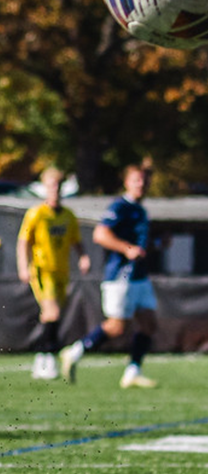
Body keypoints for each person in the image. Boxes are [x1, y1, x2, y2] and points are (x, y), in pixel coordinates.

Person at [59, 163, 160, 388]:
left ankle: (133, 371)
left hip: (139, 276)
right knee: (116, 327)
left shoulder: (141, 210)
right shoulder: (120, 206)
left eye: (144, 180)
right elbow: (100, 234)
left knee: (149, 323)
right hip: (120, 276)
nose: (141, 184)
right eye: (136, 180)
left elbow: (141, 244)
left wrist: (159, 244)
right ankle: (74, 352)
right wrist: (126, 249)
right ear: (126, 182)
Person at [18, 167, 88, 379]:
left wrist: (83, 256)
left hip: (61, 272)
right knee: (53, 313)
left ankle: (41, 359)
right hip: (42, 270)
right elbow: (23, 242)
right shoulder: (36, 214)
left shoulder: (68, 216)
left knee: (50, 316)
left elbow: (77, 241)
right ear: (44, 188)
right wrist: (23, 266)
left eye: (58, 186)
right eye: (50, 186)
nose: (54, 190)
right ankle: (48, 358)